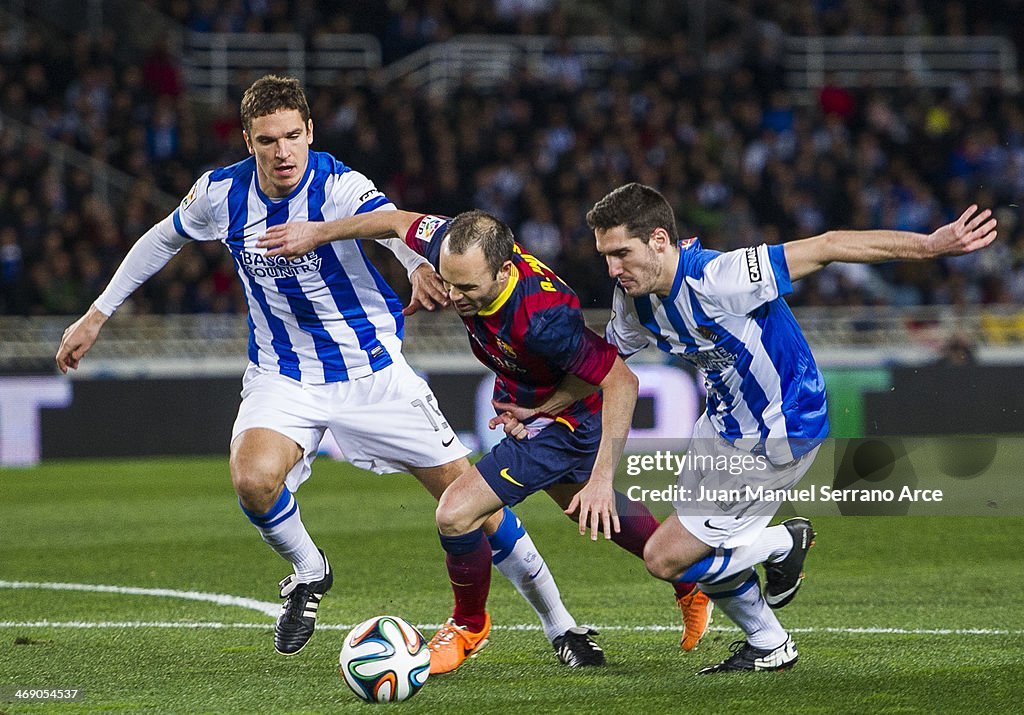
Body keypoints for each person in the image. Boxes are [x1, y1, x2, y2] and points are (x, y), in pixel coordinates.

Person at [54, 75, 591, 671]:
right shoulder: (220, 194)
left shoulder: (339, 185)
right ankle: (310, 571)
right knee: (253, 478)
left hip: (373, 373)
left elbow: (392, 224)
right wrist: (96, 314)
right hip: (282, 375)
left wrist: (417, 265)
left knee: (479, 506)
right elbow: (162, 238)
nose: (282, 152)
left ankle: (561, 625)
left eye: (292, 136)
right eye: (267, 140)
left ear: (309, 132)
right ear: (248, 141)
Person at [256, 207, 716, 668]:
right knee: (584, 504)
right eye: (448, 281)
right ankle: (691, 582)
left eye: (467, 288)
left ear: (504, 271)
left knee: (456, 514)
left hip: (565, 423)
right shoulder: (459, 247)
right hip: (531, 405)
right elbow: (392, 220)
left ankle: (468, 626)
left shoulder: (544, 316)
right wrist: (319, 233)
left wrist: (591, 463)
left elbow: (620, 381)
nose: (454, 296)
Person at [574, 182, 997, 673]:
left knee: (666, 558)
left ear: (661, 240)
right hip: (721, 423)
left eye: (622, 253)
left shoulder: (720, 275)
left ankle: (782, 542)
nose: (612, 269)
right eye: (606, 256)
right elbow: (605, 367)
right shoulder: (634, 298)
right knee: (701, 550)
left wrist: (930, 245)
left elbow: (828, 245)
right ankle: (769, 644)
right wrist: (534, 409)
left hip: (781, 428)